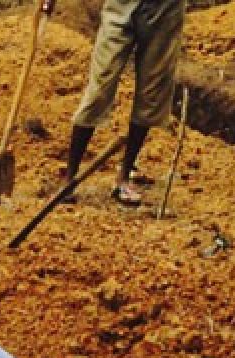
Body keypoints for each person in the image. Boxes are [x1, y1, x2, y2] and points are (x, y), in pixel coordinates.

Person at [63, 0, 185, 206]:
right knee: (100, 86)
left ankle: (124, 177)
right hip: (120, 6)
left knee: (151, 92)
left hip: (165, 9)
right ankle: (69, 179)